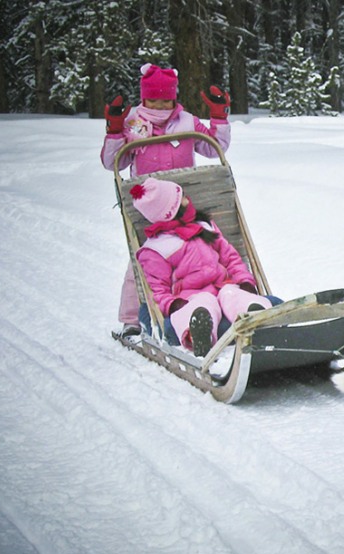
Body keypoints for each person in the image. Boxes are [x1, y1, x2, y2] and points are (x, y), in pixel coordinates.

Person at [101, 62, 232, 338]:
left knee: (197, 254)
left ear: (174, 98)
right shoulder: (133, 122)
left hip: (183, 201)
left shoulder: (186, 121)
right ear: (143, 97)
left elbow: (213, 148)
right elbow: (114, 162)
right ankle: (131, 320)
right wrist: (115, 130)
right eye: (154, 100)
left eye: (166, 100)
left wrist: (218, 117)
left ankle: (206, 306)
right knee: (144, 259)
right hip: (148, 207)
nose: (160, 106)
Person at [130, 177, 272, 357]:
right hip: (191, 298)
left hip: (224, 288)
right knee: (204, 303)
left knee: (233, 294)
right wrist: (174, 305)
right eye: (181, 198)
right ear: (171, 211)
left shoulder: (204, 227)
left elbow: (231, 258)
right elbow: (157, 290)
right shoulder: (157, 249)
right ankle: (198, 333)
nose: (187, 199)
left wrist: (245, 281)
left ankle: (257, 318)